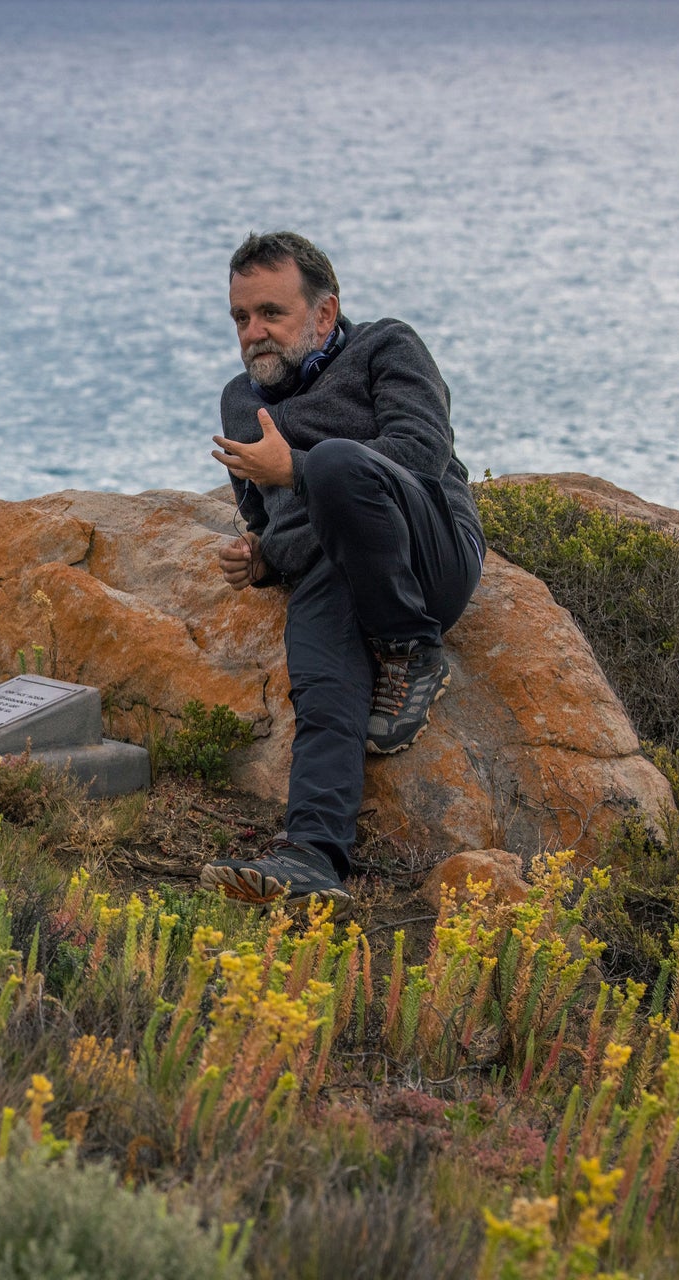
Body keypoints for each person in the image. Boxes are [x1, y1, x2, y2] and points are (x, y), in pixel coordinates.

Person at [199, 232, 486, 906]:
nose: (253, 333)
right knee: (322, 681)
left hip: (428, 556)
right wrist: (260, 557)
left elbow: (421, 454)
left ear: (324, 312)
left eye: (271, 313)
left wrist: (298, 468)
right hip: (334, 566)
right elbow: (273, 522)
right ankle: (312, 856)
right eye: (241, 317)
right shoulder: (241, 402)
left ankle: (411, 649)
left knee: (333, 464)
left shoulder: (387, 347)